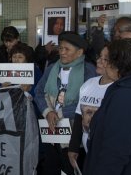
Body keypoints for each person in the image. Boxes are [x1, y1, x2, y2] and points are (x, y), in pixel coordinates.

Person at [83, 38, 131, 174]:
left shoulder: (126, 96)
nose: (104, 64)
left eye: (108, 60)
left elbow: (115, 150)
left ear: (119, 64)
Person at [34, 31, 96, 175]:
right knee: (51, 168)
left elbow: (86, 103)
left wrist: (60, 113)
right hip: (52, 131)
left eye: (67, 49)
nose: (62, 52)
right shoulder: (52, 68)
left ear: (79, 52)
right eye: (60, 48)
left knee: (71, 169)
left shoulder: (88, 71)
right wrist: (48, 112)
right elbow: (39, 92)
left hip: (74, 135)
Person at [67, 46, 114, 171]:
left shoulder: (118, 89)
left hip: (107, 154)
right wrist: (73, 147)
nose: (99, 61)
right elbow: (79, 116)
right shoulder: (89, 84)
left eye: (105, 59)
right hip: (88, 152)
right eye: (99, 57)